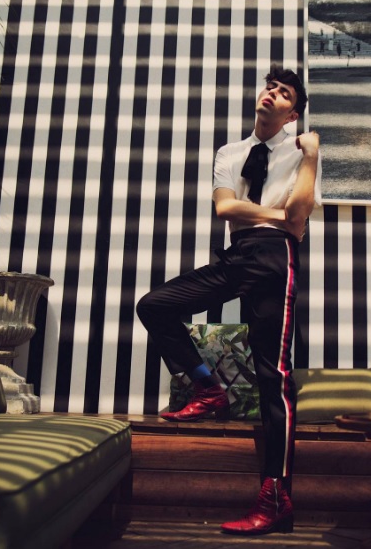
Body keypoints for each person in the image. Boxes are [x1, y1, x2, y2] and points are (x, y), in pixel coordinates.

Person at [136, 66, 319, 536]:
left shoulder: (301, 151)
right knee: (154, 305)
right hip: (240, 252)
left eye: (283, 93)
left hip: (276, 257)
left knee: (273, 374)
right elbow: (225, 207)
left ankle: (275, 498)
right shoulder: (230, 152)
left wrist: (313, 158)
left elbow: (299, 216)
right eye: (270, 87)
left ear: (292, 114)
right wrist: (279, 214)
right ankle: (208, 388)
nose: (271, 94)